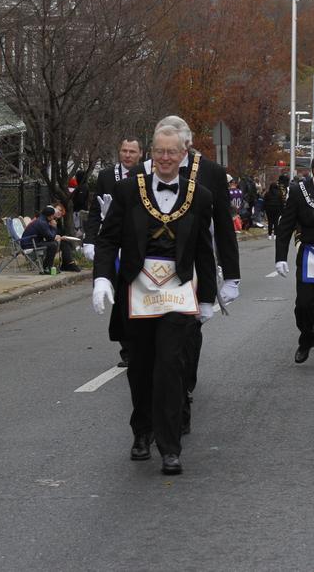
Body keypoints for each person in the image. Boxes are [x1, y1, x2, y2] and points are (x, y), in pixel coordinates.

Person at [91, 124, 217, 475]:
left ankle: (170, 446)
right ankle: (142, 431)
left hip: (176, 293)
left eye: (171, 152)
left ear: (183, 155)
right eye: (159, 151)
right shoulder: (128, 190)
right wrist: (102, 278)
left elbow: (204, 251)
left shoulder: (200, 196)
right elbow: (108, 239)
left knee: (170, 368)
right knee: (141, 368)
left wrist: (207, 297)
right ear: (151, 154)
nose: (165, 158)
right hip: (137, 291)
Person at [146, 116, 241, 435]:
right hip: (150, 271)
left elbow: (224, 225)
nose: (168, 156)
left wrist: (232, 276)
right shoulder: (146, 172)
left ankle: (184, 389)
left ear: (186, 145)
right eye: (162, 148)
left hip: (194, 265)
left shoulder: (211, 173)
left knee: (187, 333)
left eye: (176, 148)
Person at [83, 137, 145, 367]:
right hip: (113, 241)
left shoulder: (145, 176)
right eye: (124, 150)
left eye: (132, 151)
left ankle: (140, 343)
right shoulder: (107, 176)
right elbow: (94, 210)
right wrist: (90, 240)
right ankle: (127, 349)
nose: (127, 155)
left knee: (134, 293)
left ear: (140, 154)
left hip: (136, 243)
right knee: (120, 295)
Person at [275, 152, 314, 369]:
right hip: (309, 255)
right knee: (304, 305)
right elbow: (286, 226)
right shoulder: (297, 191)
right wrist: (280, 257)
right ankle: (307, 336)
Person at [21, 205, 79, 274]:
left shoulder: (41, 220)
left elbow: (49, 235)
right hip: (29, 245)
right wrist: (54, 227)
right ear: (50, 216)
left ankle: (48, 266)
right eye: (52, 216)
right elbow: (50, 237)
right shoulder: (42, 223)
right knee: (53, 245)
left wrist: (54, 234)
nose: (53, 218)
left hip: (32, 242)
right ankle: (47, 268)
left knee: (53, 243)